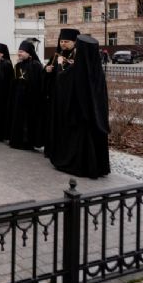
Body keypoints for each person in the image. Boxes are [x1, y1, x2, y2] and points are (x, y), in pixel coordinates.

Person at [48, 35, 110, 179]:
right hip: (95, 116)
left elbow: (61, 83)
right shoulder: (97, 70)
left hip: (78, 116)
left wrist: (59, 67)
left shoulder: (76, 69)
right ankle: (98, 166)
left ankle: (80, 166)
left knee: (79, 141)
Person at [43, 28, 80, 155]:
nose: (63, 44)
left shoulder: (78, 55)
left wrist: (65, 64)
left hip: (70, 96)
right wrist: (47, 70)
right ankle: (53, 149)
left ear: (75, 42)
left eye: (66, 41)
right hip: (56, 95)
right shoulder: (56, 55)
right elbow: (49, 71)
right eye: (61, 41)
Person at [8, 41, 45, 151]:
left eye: (22, 52)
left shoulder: (36, 65)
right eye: (19, 51)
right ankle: (18, 141)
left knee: (29, 121)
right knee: (19, 120)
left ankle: (29, 142)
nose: (19, 54)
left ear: (29, 53)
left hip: (31, 99)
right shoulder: (18, 65)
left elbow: (39, 83)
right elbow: (15, 81)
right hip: (19, 98)